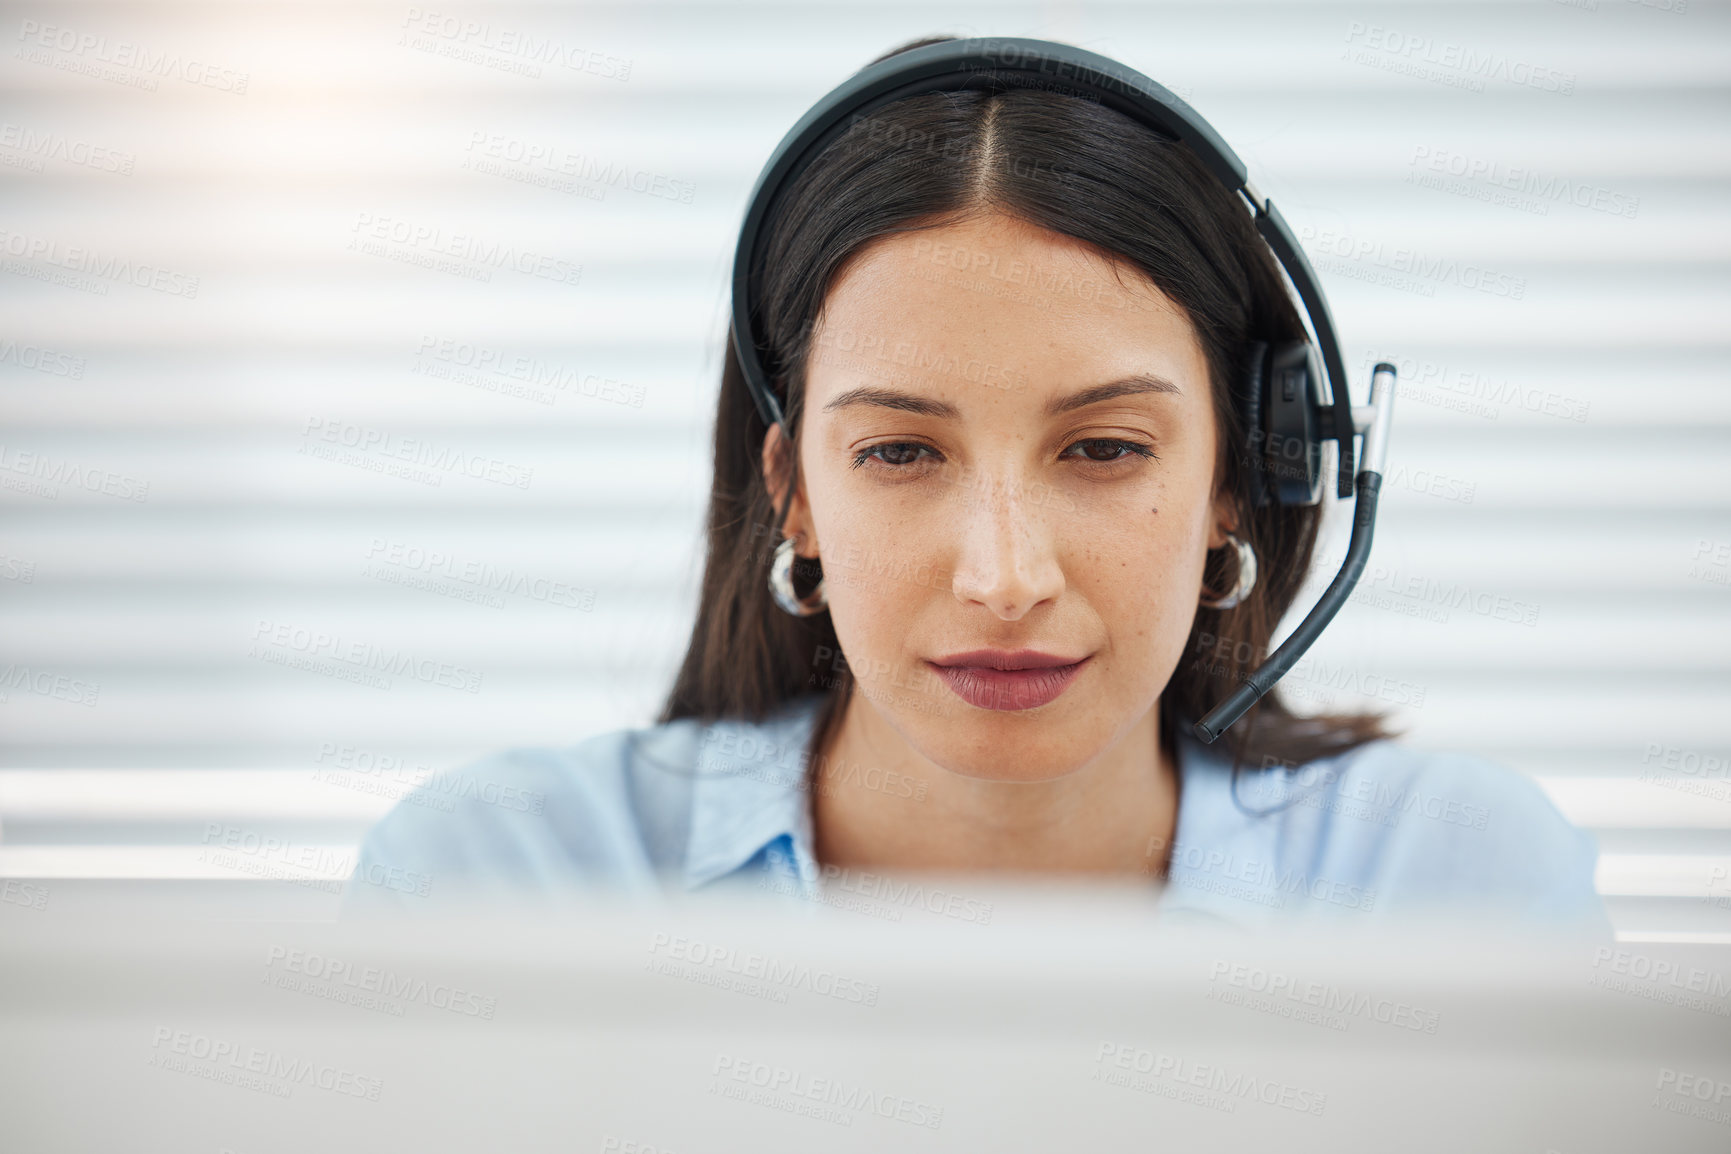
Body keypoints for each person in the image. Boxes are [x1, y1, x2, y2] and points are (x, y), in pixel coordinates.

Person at [344, 35, 1609, 935]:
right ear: (793, 494)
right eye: (899, 451)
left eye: (1106, 448)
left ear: (1242, 474)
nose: (1005, 578)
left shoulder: (1456, 888)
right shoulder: (489, 886)